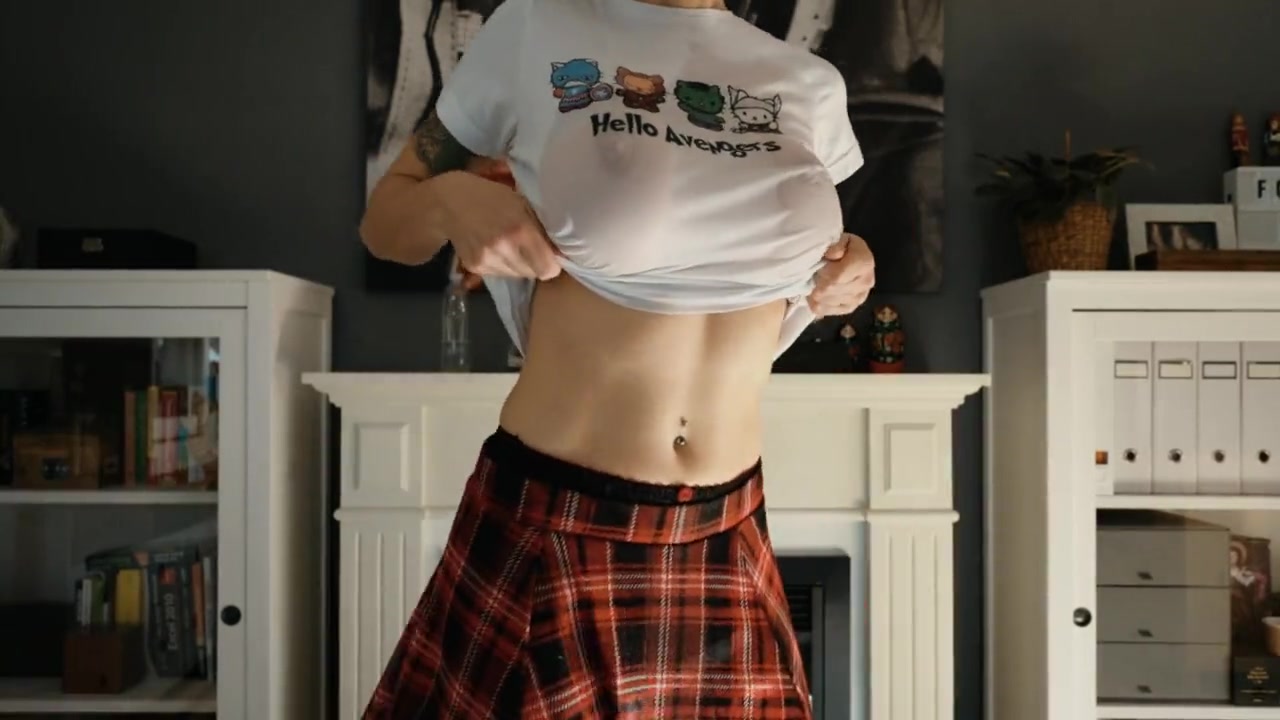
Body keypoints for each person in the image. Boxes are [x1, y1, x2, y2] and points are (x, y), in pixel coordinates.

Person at [358, 0, 875, 716]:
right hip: (558, 520)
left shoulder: (807, 81)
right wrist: (452, 197)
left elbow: (797, 244)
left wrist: (852, 265)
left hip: (729, 527)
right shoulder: (533, 28)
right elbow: (385, 223)